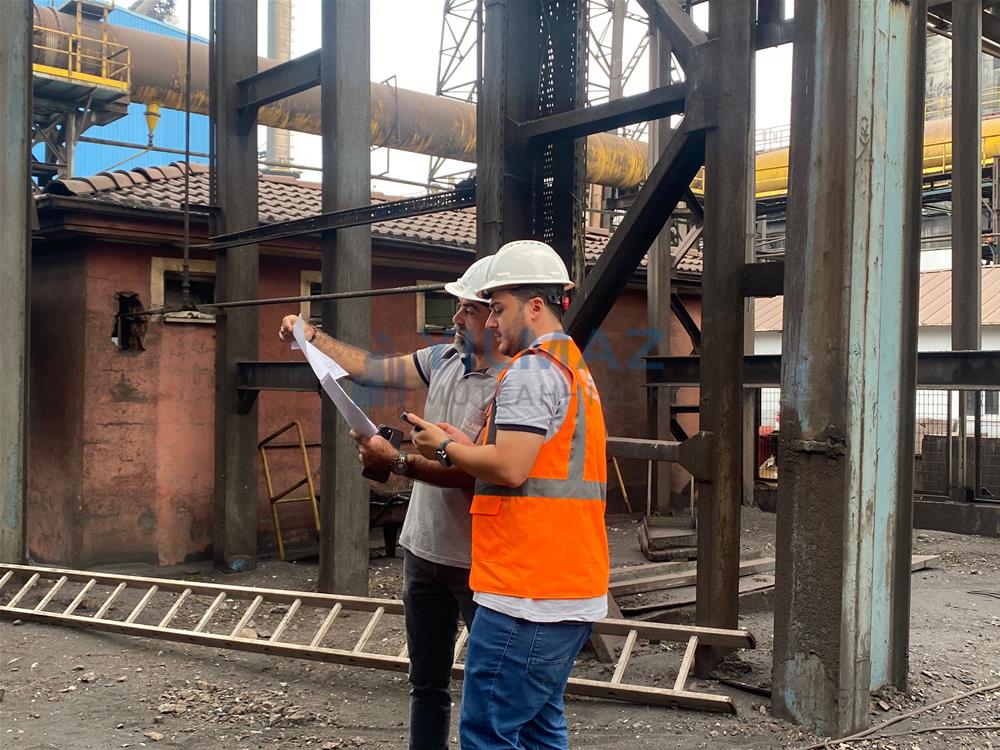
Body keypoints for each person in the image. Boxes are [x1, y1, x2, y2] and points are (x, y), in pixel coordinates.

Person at [278, 257, 502, 750]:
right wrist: (311, 337)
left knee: (490, 692)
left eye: (467, 309)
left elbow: (476, 473)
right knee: (427, 685)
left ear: (497, 314)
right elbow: (370, 369)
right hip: (423, 550)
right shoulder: (443, 359)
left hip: (479, 561)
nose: (456, 318)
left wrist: (396, 461)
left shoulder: (512, 385)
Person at [408, 240, 609, 750]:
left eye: (497, 308)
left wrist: (445, 447)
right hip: (566, 585)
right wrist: (468, 445)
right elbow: (533, 460)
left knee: (488, 734)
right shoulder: (570, 366)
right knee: (540, 729)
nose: (491, 322)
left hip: (527, 592)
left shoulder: (530, 370)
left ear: (534, 306)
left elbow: (511, 468)